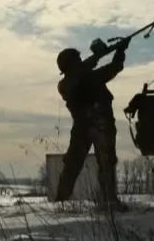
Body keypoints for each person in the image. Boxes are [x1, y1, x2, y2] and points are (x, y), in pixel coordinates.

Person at [54, 37, 131, 212]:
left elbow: (114, 68)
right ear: (69, 66)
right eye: (76, 60)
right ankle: (61, 200)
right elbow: (75, 81)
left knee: (106, 162)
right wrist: (95, 58)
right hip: (84, 126)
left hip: (101, 123)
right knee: (73, 162)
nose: (80, 61)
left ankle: (109, 200)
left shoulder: (90, 76)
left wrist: (120, 51)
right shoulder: (66, 84)